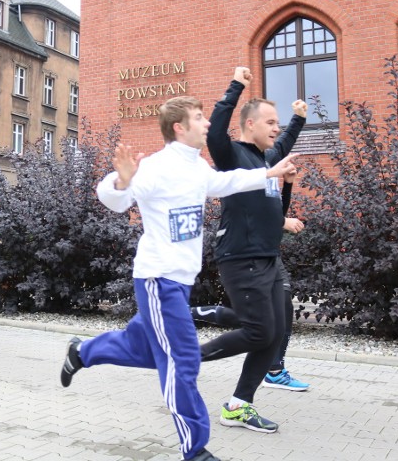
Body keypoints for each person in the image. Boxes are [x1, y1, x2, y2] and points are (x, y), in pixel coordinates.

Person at [59, 96, 298, 461]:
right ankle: (195, 448)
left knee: (142, 350)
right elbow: (114, 198)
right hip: (158, 280)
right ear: (179, 128)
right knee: (183, 361)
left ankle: (82, 352)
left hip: (179, 281)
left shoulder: (197, 167)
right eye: (200, 119)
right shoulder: (156, 167)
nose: (207, 125)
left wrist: (269, 173)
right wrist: (121, 181)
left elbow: (225, 182)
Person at [198, 66, 307, 433]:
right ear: (249, 125)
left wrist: (298, 120)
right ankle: (186, 359)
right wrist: (236, 87)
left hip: (268, 257)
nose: (276, 129)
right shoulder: (231, 156)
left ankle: (239, 405)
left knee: (272, 332)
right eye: (271, 122)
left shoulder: (265, 162)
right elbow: (215, 131)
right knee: (260, 332)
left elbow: (276, 206)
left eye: (279, 123)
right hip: (241, 256)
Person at [191, 170, 309, 391]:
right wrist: (283, 221)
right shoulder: (245, 166)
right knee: (260, 324)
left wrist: (288, 184)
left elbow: (275, 212)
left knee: (280, 314)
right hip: (246, 254)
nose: (275, 133)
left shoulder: (268, 166)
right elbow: (248, 211)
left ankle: (274, 370)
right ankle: (189, 329)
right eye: (272, 132)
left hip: (267, 253)